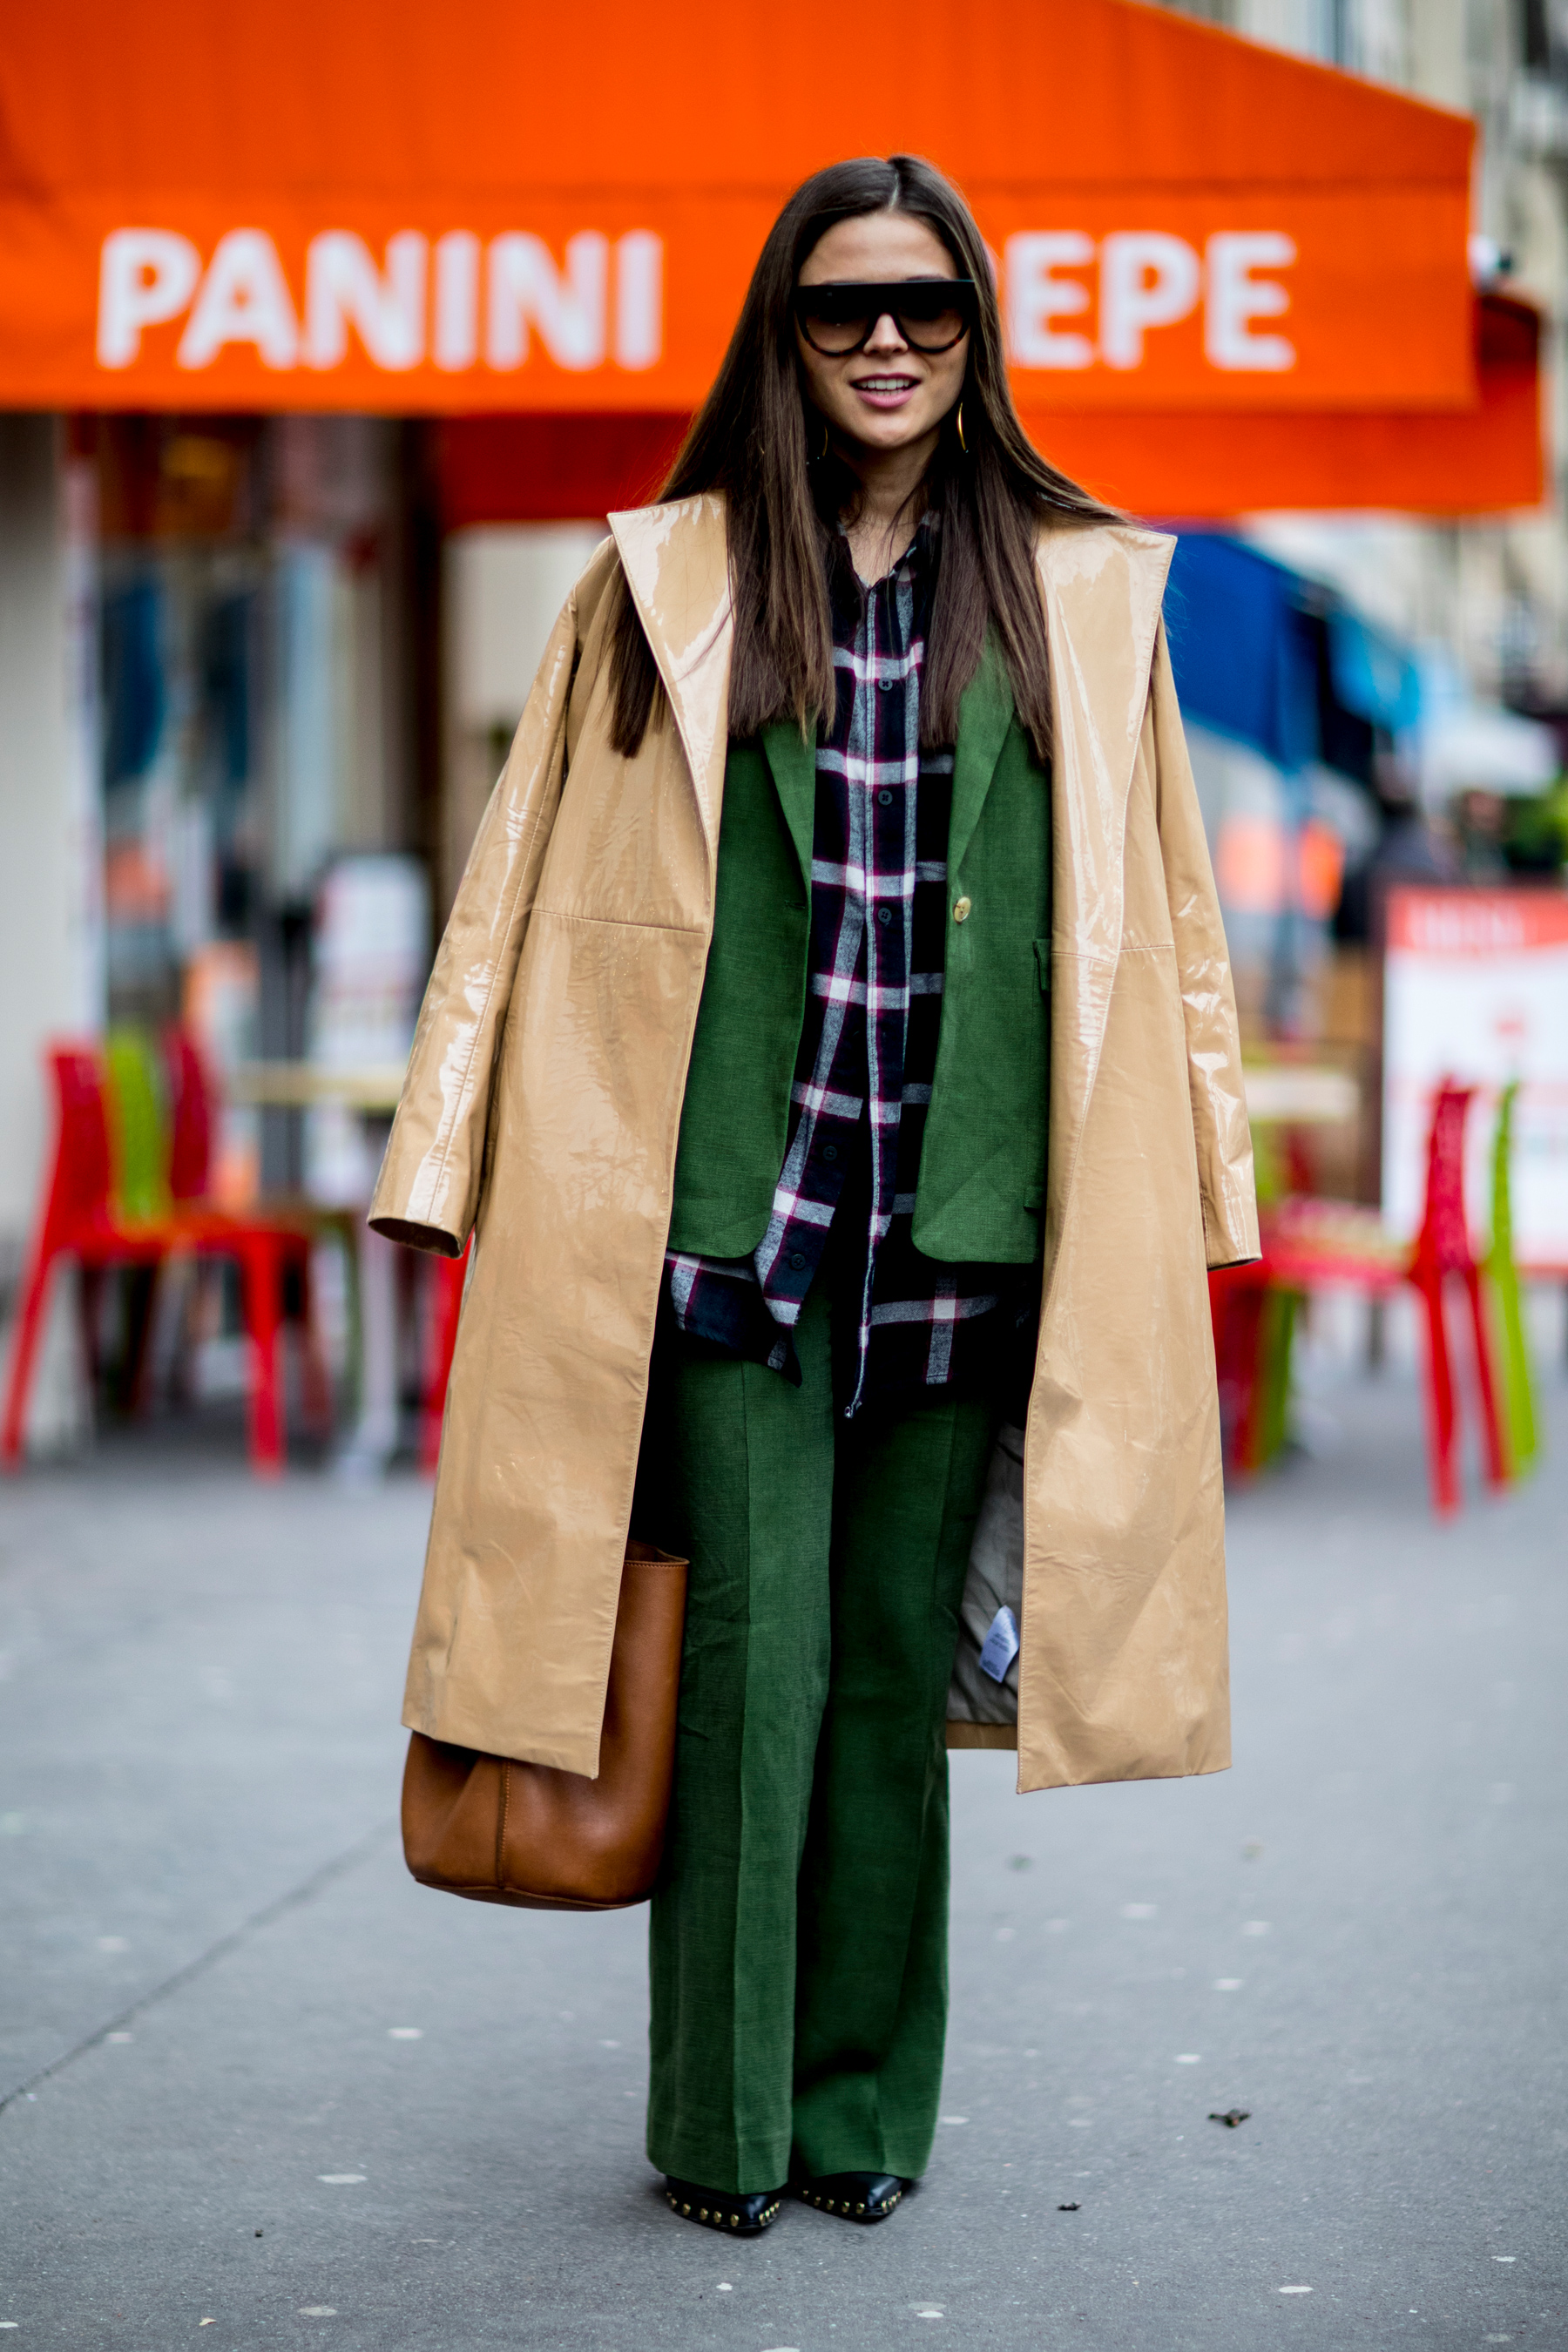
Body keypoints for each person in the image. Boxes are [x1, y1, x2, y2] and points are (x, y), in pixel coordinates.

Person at [370, 154, 1258, 2238]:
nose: (885, 339)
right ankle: (726, 2126)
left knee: (882, 1688)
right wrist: (442, 1156)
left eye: (926, 308)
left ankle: (860, 2113)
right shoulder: (658, 582)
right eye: (843, 306)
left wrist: (1202, 1190)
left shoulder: (1082, 592)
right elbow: (515, 889)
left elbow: (1177, 926)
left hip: (966, 1234)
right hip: (725, 1239)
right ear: (784, 334)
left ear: (976, 339)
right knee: (743, 1680)